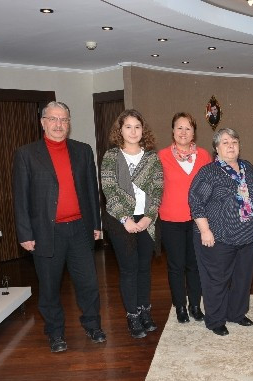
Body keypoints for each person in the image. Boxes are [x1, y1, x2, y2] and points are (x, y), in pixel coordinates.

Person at [13, 101, 106, 353]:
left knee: (88, 283)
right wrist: (25, 233)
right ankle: (55, 333)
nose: (58, 124)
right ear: (43, 122)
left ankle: (93, 325)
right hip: (46, 232)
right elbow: (20, 198)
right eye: (53, 119)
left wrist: (96, 224)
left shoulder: (83, 151)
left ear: (69, 123)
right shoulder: (26, 154)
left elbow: (91, 190)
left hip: (80, 229)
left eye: (64, 120)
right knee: (50, 287)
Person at [188, 128, 253, 336]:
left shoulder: (248, 168)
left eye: (234, 142)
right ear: (216, 148)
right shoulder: (209, 172)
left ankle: (237, 313)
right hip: (217, 236)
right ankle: (215, 320)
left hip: (247, 236)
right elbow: (196, 202)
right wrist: (205, 230)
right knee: (217, 280)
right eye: (225, 142)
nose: (231, 146)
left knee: (243, 278)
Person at [100, 109, 164, 339]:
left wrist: (148, 217)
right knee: (129, 269)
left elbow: (157, 189)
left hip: (147, 219)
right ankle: (133, 315)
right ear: (120, 130)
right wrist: (125, 219)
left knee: (144, 268)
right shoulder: (111, 156)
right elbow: (109, 189)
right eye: (128, 126)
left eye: (137, 126)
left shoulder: (152, 158)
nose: (133, 131)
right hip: (120, 221)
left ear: (143, 130)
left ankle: (145, 311)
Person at [158, 112, 211, 324]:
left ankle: (195, 306)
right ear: (173, 131)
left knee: (195, 264)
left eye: (188, 128)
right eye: (179, 127)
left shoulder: (204, 156)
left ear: (194, 132)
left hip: (198, 221)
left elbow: (210, 187)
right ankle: (180, 306)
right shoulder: (161, 156)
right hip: (170, 220)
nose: (183, 132)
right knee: (176, 266)